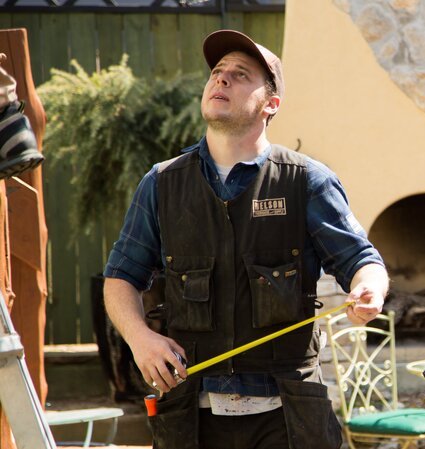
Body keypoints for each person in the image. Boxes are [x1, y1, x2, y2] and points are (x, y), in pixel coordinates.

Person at [103, 29, 388, 449]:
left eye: (240, 75)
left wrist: (370, 290)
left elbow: (363, 260)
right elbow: (120, 279)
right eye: (217, 72)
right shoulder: (161, 183)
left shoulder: (308, 181)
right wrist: (140, 338)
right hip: (191, 418)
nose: (221, 79)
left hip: (288, 419)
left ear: (271, 104)